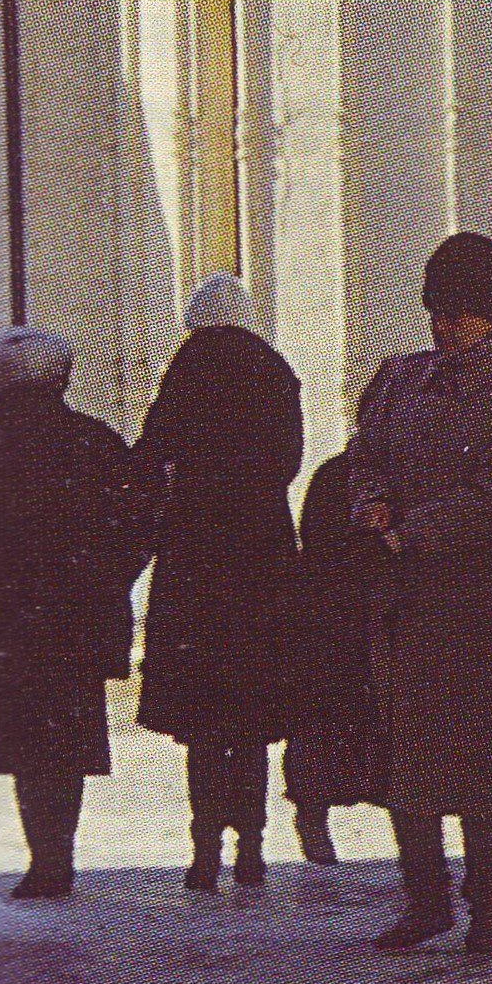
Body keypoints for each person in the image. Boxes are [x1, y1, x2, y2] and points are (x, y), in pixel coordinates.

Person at [354, 230, 492, 959]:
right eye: (438, 310)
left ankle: (490, 908)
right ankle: (425, 897)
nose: (444, 327)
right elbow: (366, 455)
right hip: (406, 604)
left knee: (485, 764)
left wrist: (410, 531)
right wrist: (371, 502)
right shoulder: (399, 378)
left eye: (461, 315)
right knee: (408, 758)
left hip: (484, 608)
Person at [0, 325, 150, 904]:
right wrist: (106, 583)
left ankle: (45, 858)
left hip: (10, 621)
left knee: (26, 749)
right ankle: (59, 854)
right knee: (66, 743)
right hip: (77, 620)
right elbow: (136, 526)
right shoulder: (95, 443)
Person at [130, 269, 301, 895]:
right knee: (251, 715)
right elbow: (287, 461)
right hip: (261, 560)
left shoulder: (185, 371)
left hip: (196, 562)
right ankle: (253, 848)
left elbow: (152, 455)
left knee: (203, 718)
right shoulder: (275, 371)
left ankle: (203, 849)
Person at [279, 429, 389, 870]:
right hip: (343, 618)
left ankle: (314, 812)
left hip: (350, 617)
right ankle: (313, 811)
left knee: (333, 723)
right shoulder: (346, 477)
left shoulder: (339, 474)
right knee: (328, 722)